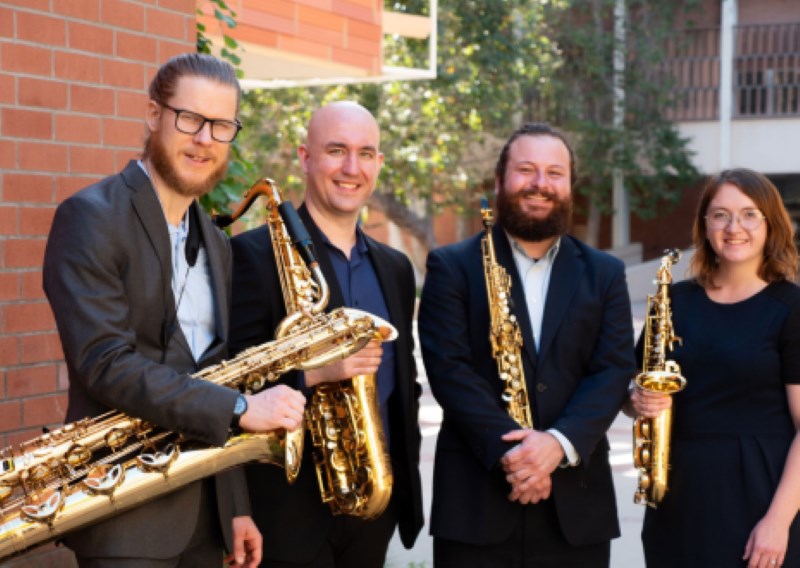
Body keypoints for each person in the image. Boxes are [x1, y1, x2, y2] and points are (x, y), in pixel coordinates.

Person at [43, 53, 306, 568]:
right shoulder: (90, 217)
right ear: (153, 114)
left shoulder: (216, 241)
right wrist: (239, 410)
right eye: (190, 118)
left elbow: (216, 371)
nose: (205, 138)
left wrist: (234, 507)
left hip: (205, 520)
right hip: (127, 514)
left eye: (222, 125)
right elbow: (105, 363)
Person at [418, 122, 637, 567]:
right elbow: (449, 370)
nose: (540, 184)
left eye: (555, 173)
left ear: (570, 186)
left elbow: (612, 370)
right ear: (499, 181)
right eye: (526, 170)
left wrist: (557, 444)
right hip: (476, 507)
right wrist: (516, 456)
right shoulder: (451, 266)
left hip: (577, 510)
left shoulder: (605, 273)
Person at [229, 101, 424, 568]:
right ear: (305, 156)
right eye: (336, 150)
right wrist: (315, 374)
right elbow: (228, 383)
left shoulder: (396, 267)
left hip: (372, 501)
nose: (351, 168)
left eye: (365, 153)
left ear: (378, 163)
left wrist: (396, 492)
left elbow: (404, 386)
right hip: (285, 508)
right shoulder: (252, 256)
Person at [628, 168, 800, 568]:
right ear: (705, 225)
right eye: (720, 214)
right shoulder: (673, 300)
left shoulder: (791, 308)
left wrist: (778, 521)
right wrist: (635, 397)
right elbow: (631, 393)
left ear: (770, 224)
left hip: (761, 499)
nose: (733, 226)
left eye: (749, 214)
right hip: (678, 499)